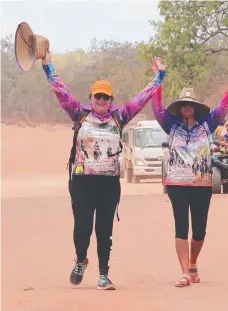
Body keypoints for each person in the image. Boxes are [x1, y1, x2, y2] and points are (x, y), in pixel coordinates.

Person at [42, 51, 167, 290]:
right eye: (98, 95)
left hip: (108, 183)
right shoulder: (80, 114)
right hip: (82, 181)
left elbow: (141, 99)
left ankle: (103, 274)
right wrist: (49, 68)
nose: (101, 100)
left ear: (111, 99)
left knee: (104, 229)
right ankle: (80, 259)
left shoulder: (119, 117)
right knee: (83, 228)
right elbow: (61, 92)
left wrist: (159, 78)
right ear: (92, 97)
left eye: (106, 96)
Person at [151, 59, 228, 287]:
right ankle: (184, 272)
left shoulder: (208, 123)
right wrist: (159, 78)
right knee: (181, 226)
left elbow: (224, 105)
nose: (186, 107)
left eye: (190, 104)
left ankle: (193, 262)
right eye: (183, 104)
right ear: (179, 107)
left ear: (195, 107)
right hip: (177, 184)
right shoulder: (170, 123)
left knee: (200, 230)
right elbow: (156, 106)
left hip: (202, 183)